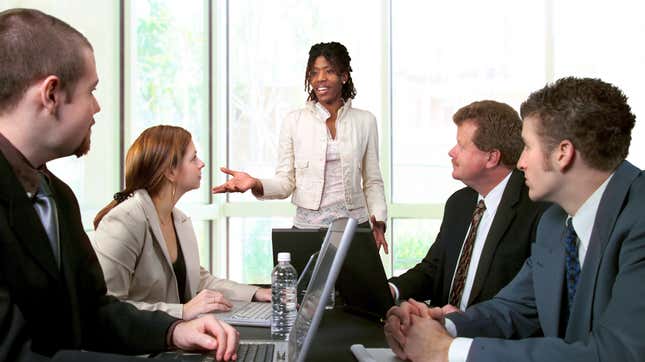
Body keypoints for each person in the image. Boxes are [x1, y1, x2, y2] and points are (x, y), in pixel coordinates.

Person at [0, 8, 237, 361]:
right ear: (50, 94)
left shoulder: (57, 195)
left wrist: (173, 331)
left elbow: (94, 310)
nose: (97, 108)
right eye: (91, 92)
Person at [384, 77, 645, 362]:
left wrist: (447, 351)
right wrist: (441, 325)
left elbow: (618, 353)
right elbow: (515, 309)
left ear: (563, 153)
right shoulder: (556, 222)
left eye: (527, 147)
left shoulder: (638, 221)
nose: (520, 162)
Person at [212, 41, 388, 253]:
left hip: (354, 229)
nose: (320, 78)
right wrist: (255, 183)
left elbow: (373, 180)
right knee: (303, 287)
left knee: (357, 288)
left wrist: (379, 221)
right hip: (307, 230)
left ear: (344, 76)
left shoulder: (365, 121)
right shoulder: (294, 121)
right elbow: (285, 183)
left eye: (329, 71)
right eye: (314, 73)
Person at [92, 125, 271, 320]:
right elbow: (108, 307)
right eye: (193, 158)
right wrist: (182, 311)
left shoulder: (180, 220)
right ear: (170, 171)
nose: (201, 163)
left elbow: (199, 280)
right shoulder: (124, 221)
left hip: (174, 338)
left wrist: (255, 293)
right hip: (138, 347)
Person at [388, 100, 548, 311]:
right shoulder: (459, 203)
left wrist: (462, 323)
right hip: (438, 331)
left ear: (491, 157)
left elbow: (530, 303)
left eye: (462, 146)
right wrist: (391, 289)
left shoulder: (537, 209)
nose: (452, 152)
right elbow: (433, 269)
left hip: (488, 338)